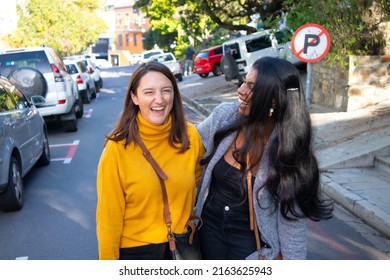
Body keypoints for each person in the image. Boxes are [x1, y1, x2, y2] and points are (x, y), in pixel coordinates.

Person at [193, 56, 333, 260]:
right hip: (208, 225)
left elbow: (291, 221)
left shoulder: (288, 150)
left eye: (251, 87)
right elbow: (187, 148)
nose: (240, 90)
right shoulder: (225, 116)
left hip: (251, 240)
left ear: (274, 100)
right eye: (244, 82)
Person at [96, 61, 205, 260]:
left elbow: (197, 181)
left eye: (166, 90)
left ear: (174, 94)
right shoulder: (117, 148)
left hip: (182, 248)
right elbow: (108, 220)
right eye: (148, 92)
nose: (159, 99)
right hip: (137, 254)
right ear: (134, 97)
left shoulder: (190, 136)